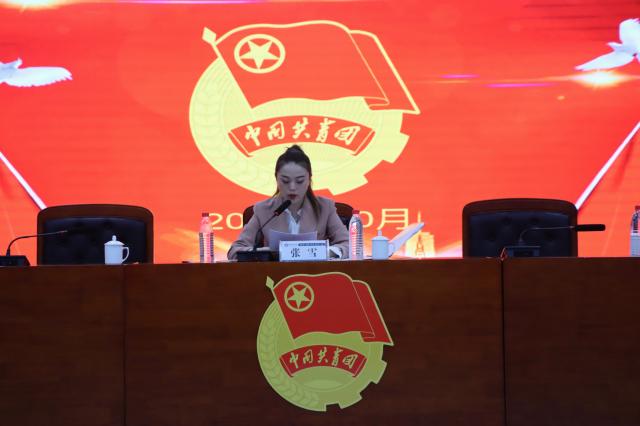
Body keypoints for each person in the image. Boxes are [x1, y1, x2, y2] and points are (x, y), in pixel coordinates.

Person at [227, 145, 349, 260]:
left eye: (300, 181)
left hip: (316, 273)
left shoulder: (325, 207)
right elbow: (234, 251)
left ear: (309, 179)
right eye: (285, 181)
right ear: (276, 178)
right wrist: (264, 253)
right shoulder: (263, 210)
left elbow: (349, 245)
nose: (292, 187)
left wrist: (324, 252)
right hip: (274, 274)